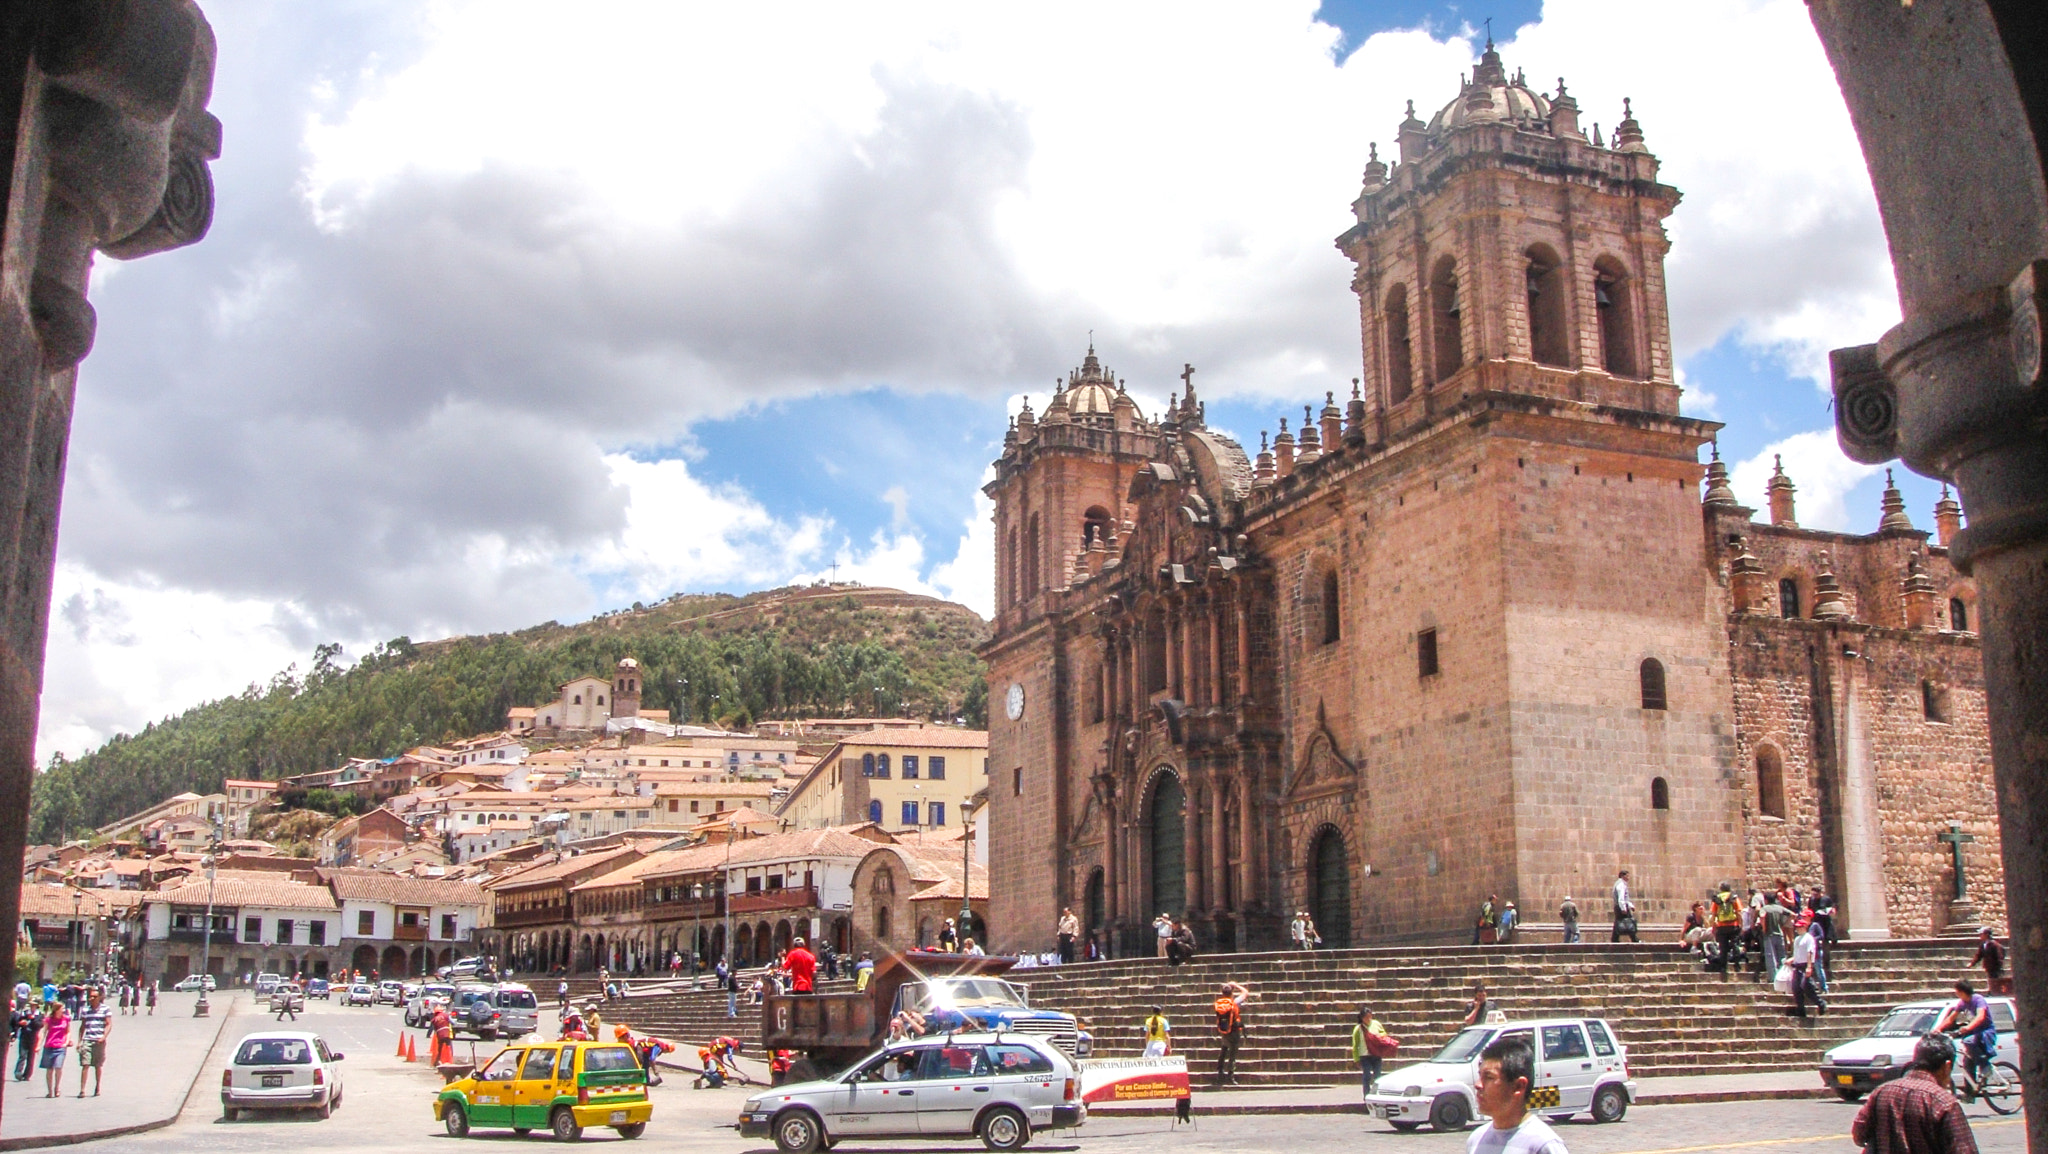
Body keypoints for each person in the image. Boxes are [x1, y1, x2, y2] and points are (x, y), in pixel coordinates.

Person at [1851, 1031, 1979, 1154]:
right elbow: (1964, 1150)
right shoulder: (1943, 1102)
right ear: (1946, 1066)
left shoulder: (1881, 1092)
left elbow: (1859, 1135)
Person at [1468, 1037, 1570, 1154]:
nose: (1478, 1085)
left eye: (1489, 1077)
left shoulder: (1543, 1145)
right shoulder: (1476, 1141)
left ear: (1518, 1086)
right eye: (1480, 1076)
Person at [1935, 981, 1996, 1087]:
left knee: (1968, 1041)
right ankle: (1970, 1093)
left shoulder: (1978, 999)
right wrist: (1938, 1029)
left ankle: (1985, 1066)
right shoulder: (1962, 1003)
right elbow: (1951, 1018)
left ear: (1962, 991)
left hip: (1985, 1032)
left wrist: (1968, 1027)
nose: (1956, 993)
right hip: (1974, 1033)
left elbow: (1980, 1017)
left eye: (1957, 991)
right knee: (1967, 1064)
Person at [1351, 1006, 1394, 1098]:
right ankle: (1366, 1095)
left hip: (1376, 1054)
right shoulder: (1358, 1029)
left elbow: (1384, 1034)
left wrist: (1377, 1037)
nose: (1369, 1019)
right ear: (1362, 1018)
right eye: (1366, 1017)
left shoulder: (1376, 1024)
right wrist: (1356, 1059)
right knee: (1367, 1075)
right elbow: (1355, 1045)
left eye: (1370, 1017)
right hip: (1365, 1055)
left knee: (1377, 1075)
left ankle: (1377, 1094)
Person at [74, 987, 109, 1097]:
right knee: (85, 1064)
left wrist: (104, 1036)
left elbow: (109, 1024)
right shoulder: (85, 1010)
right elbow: (82, 1026)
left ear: (99, 997)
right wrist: (79, 1041)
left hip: (99, 1041)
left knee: (98, 1065)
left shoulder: (105, 1009)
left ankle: (97, 1086)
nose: (92, 999)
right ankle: (82, 1090)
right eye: (90, 997)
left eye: (94, 997)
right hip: (87, 1040)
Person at [1212, 982, 1248, 1089]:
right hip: (1235, 1030)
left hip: (1224, 1029)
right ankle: (1231, 1076)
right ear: (1232, 993)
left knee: (1223, 1050)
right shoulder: (1235, 1002)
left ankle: (1220, 1073)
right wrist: (1236, 985)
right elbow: (1245, 992)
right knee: (1232, 1053)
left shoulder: (1219, 1003)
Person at [1789, 917, 1827, 1017]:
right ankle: (1801, 1010)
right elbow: (1797, 953)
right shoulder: (1797, 939)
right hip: (1797, 966)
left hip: (1805, 965)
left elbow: (1810, 952)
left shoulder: (1809, 938)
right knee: (1796, 988)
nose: (1797, 929)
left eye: (1799, 927)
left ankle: (1820, 1003)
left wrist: (1809, 966)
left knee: (1807, 987)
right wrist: (1792, 960)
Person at [40, 1000, 69, 1098]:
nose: (64, 1010)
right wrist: (39, 1044)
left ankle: (57, 1087)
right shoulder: (49, 1020)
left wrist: (66, 1042)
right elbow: (43, 1032)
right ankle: (49, 1090)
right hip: (49, 1045)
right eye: (62, 1008)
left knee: (58, 1067)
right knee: (49, 1069)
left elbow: (68, 1031)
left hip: (60, 1046)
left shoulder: (66, 1019)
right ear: (57, 1009)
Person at [1969, 928, 2010, 996]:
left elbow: (1999, 956)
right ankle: (1992, 991)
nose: (1980, 936)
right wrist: (1972, 963)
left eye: (1981, 934)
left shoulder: (1994, 945)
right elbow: (1979, 955)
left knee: (1995, 980)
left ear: (1986, 935)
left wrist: (1998, 966)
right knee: (1991, 980)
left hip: (1995, 968)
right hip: (1989, 968)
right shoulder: (1983, 945)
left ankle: (1994, 993)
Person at [11, 995, 41, 1082]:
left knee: (31, 1057)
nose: (32, 1007)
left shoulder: (39, 1015)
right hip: (24, 1035)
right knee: (22, 1055)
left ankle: (27, 1074)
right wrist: (21, 1023)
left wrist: (33, 1019)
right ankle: (18, 1072)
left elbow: (39, 1025)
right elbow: (18, 1022)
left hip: (33, 1036)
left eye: (34, 1005)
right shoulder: (25, 1012)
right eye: (31, 1005)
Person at [1611, 870, 1637, 942]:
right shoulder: (1621, 885)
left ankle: (1614, 939)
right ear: (1623, 876)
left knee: (1618, 922)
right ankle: (1634, 939)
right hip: (1621, 907)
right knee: (1630, 921)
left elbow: (1625, 898)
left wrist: (1630, 905)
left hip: (1619, 906)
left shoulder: (1619, 884)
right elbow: (1621, 898)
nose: (1629, 877)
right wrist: (1623, 908)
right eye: (1627, 876)